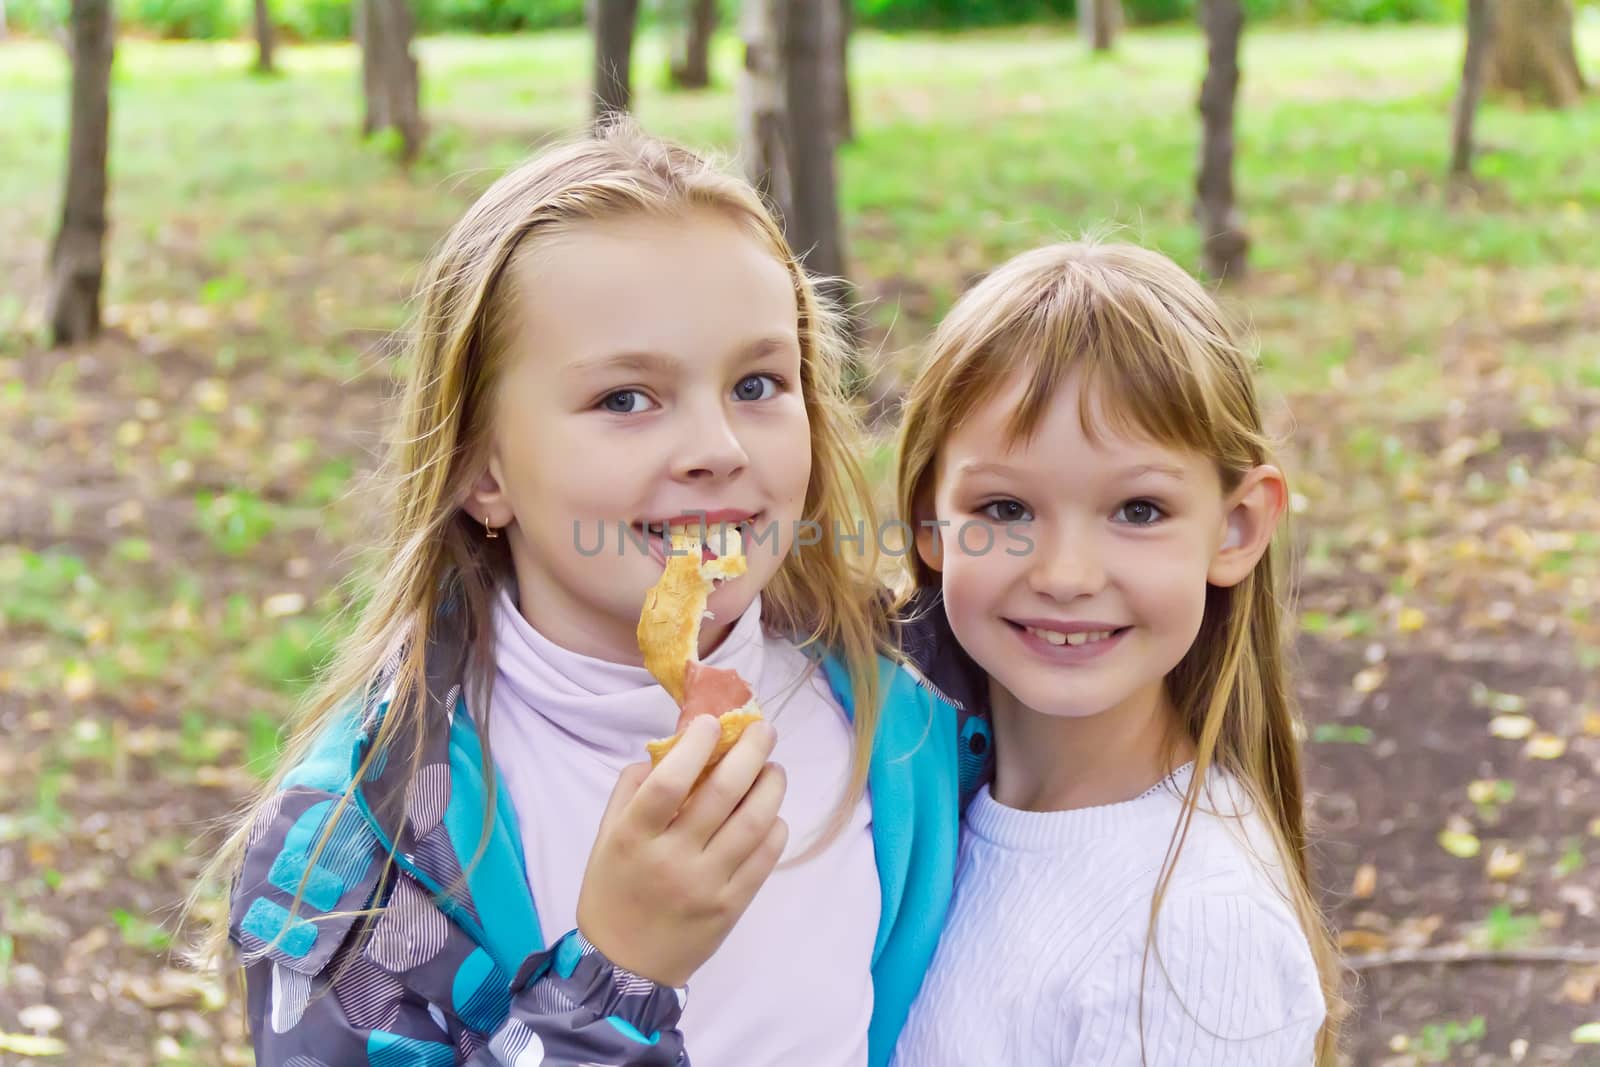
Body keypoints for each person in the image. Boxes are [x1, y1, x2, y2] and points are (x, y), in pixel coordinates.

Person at [195, 122, 988, 1067]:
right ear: (483, 469)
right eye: (626, 399)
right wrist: (619, 973)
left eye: (758, 383)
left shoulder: (924, 713)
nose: (719, 448)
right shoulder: (357, 847)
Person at [890, 240, 1343, 1065]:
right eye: (1004, 506)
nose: (1065, 575)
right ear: (931, 525)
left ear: (1237, 527)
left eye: (1137, 510)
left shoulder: (1198, 931)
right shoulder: (910, 809)